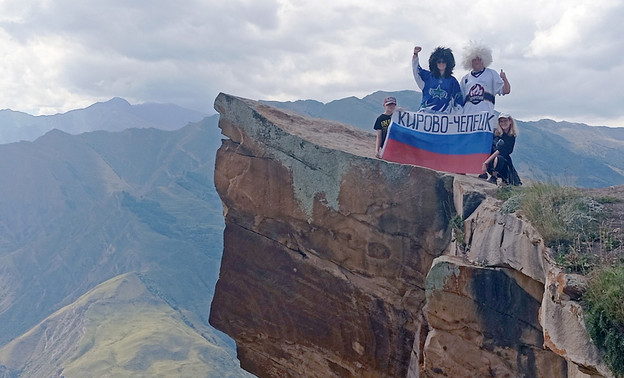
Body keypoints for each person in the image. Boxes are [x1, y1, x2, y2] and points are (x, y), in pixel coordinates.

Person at [460, 42, 511, 114]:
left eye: (479, 59)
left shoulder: (492, 74)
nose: (477, 62)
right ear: (469, 61)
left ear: (484, 59)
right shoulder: (465, 79)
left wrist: (504, 79)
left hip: (485, 117)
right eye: (474, 59)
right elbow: (459, 100)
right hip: (469, 118)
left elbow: (506, 91)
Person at [412, 46, 463, 113]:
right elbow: (416, 71)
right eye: (439, 62)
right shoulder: (427, 77)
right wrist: (415, 55)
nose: (441, 64)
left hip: (443, 117)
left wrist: (459, 116)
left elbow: (458, 100)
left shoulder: (452, 81)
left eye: (444, 61)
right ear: (435, 63)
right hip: (425, 114)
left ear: (448, 63)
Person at [479, 113, 522, 185]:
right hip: (491, 161)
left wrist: (485, 163)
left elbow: (499, 151)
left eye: (505, 121)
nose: (503, 123)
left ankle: (494, 177)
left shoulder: (511, 137)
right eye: (501, 121)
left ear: (510, 121)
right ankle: (482, 173)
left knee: (498, 158)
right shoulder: (495, 133)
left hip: (502, 164)